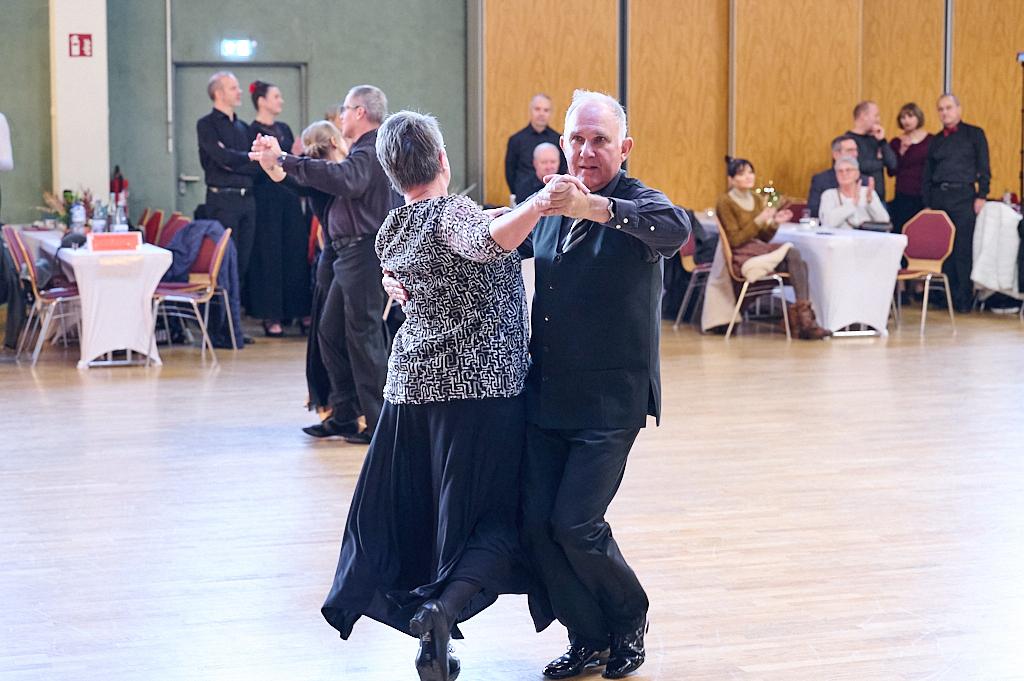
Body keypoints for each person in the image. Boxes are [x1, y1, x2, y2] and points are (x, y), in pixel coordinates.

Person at [390, 89, 689, 679]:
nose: (585, 151)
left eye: (599, 140)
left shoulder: (636, 203)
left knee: (575, 523)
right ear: (561, 144)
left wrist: (597, 210)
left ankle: (629, 616)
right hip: (547, 396)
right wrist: (397, 272)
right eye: (576, 139)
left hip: (610, 403)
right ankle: (589, 638)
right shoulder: (547, 204)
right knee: (536, 527)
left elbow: (675, 231)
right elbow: (480, 240)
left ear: (624, 148)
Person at [322, 110, 577, 681]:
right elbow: (485, 238)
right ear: (442, 160)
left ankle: (429, 630)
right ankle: (442, 609)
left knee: (418, 519)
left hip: (410, 395)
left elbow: (437, 260)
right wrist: (536, 205)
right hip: (479, 393)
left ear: (391, 175)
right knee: (490, 520)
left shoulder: (392, 230)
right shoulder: (454, 214)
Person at [251, 85, 398, 444]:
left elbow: (347, 180)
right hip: (349, 254)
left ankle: (380, 425)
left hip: (365, 253)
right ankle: (344, 414)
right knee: (331, 332)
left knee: (363, 337)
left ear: (361, 112)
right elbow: (329, 183)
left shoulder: (373, 149)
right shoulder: (363, 152)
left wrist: (285, 159)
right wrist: (278, 165)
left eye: (346, 110)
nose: (341, 116)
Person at [718, 158, 831, 340]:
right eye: (741, 174)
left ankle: (802, 319)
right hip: (743, 254)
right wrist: (760, 219)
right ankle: (804, 321)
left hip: (759, 249)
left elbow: (763, 237)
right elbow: (735, 239)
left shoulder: (755, 198)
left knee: (800, 263)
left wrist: (775, 223)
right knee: (793, 253)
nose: (748, 177)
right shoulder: (725, 202)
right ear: (731, 179)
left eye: (750, 172)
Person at [247, 80, 311, 337]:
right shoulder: (250, 129)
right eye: (276, 96)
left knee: (295, 251)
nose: (280, 101)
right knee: (270, 255)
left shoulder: (283, 127)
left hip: (289, 195)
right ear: (262, 101)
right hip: (266, 199)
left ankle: (300, 310)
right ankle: (271, 314)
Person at [922, 93, 991, 313]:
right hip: (940, 196)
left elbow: (984, 166)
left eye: (948, 108)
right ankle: (944, 297)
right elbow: (928, 173)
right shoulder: (936, 140)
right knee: (944, 249)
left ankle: (963, 299)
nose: (945, 113)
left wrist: (982, 195)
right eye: (940, 109)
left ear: (959, 109)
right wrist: (927, 203)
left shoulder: (974, 134)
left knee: (962, 248)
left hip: (964, 196)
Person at [196, 72, 259, 308]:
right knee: (223, 263)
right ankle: (218, 325)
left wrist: (239, 161)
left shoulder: (244, 127)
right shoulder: (207, 125)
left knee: (242, 262)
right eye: (233, 88)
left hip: (247, 200)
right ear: (219, 93)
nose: (239, 92)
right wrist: (246, 159)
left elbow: (256, 165)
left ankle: (234, 323)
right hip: (223, 202)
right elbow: (219, 158)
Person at [505, 94, 568, 205]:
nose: (541, 113)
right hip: (524, 197)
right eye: (537, 109)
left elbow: (563, 168)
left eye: (546, 110)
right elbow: (510, 171)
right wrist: (518, 191)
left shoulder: (559, 139)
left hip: (553, 196)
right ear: (531, 111)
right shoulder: (516, 140)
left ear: (550, 113)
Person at [888, 102, 933, 233]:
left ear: (918, 117)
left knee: (921, 232)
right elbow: (892, 171)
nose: (906, 120)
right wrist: (901, 151)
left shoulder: (931, 140)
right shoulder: (896, 142)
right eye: (903, 117)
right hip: (903, 194)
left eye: (910, 116)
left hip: (923, 194)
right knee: (901, 229)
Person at [846, 101, 897, 204]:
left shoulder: (877, 139)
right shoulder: (847, 141)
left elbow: (893, 165)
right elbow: (859, 166)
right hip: (856, 199)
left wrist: (882, 141)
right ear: (864, 116)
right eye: (876, 115)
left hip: (879, 200)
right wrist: (881, 162)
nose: (879, 120)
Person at [819, 156, 891, 229]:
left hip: (866, 238)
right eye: (840, 171)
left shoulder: (867, 192)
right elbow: (827, 223)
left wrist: (870, 201)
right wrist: (853, 204)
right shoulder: (829, 195)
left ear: (857, 174)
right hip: (839, 239)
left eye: (848, 170)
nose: (844, 174)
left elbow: (884, 221)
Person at [807, 135, 860, 218]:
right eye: (850, 150)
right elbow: (813, 211)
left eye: (856, 150)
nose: (855, 154)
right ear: (836, 155)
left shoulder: (864, 181)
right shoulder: (821, 180)